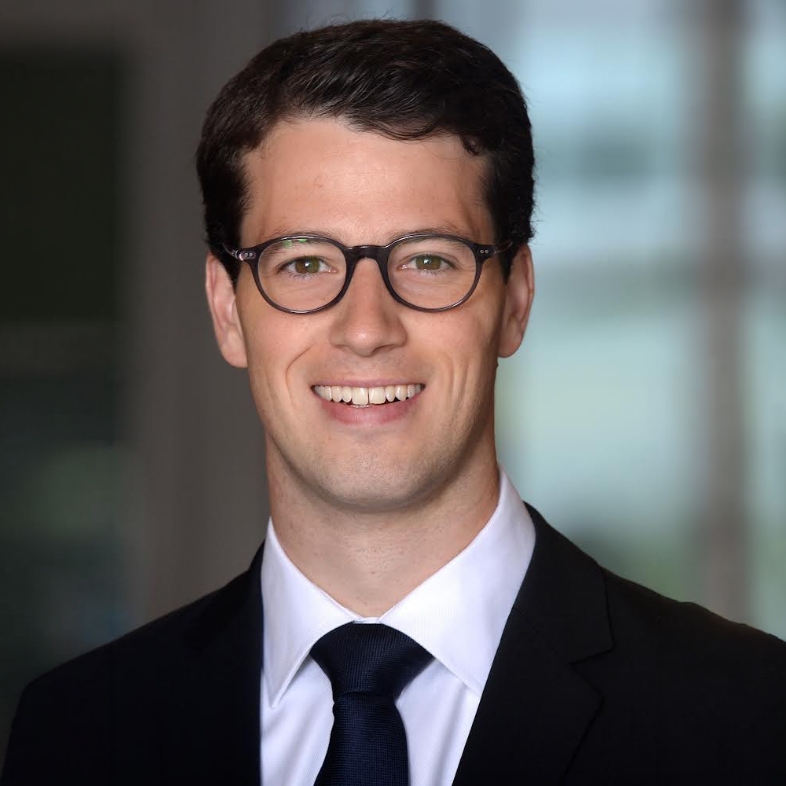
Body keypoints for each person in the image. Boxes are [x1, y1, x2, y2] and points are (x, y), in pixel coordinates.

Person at [3, 18, 785, 786]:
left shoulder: (748, 717)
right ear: (225, 307)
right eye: (304, 262)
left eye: (430, 261)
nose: (368, 327)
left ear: (515, 299)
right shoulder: (80, 732)